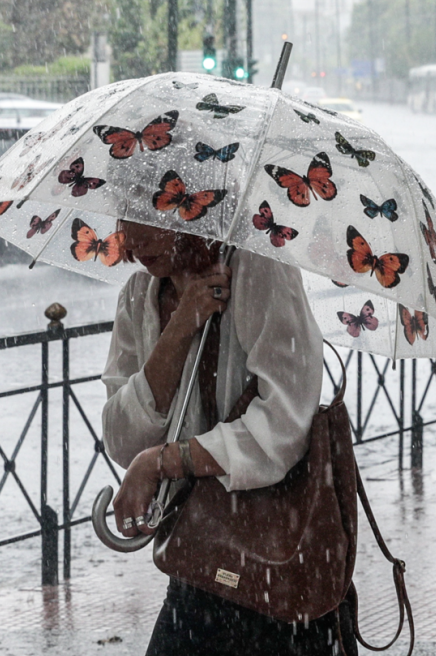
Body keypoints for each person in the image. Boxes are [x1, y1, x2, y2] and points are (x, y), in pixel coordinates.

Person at [100, 221, 358, 656]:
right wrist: (180, 328)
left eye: (150, 213)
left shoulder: (258, 265)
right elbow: (122, 438)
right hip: (199, 561)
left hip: (283, 562)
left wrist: (164, 461)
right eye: (125, 216)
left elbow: (283, 422)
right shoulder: (139, 294)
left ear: (190, 207)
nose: (134, 237)